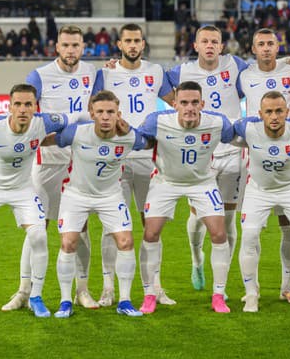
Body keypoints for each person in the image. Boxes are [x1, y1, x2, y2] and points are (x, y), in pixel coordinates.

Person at [3, 25, 99, 312]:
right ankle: (23, 290)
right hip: (46, 163)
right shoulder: (40, 75)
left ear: (83, 47)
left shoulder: (94, 73)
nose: (71, 51)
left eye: (76, 45)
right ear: (57, 47)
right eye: (66, 45)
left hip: (80, 161)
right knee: (37, 227)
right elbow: (28, 111)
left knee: (79, 227)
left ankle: (82, 289)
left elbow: (99, 106)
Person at [0, 84, 69, 320]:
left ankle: (35, 297)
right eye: (17, 104)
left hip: (22, 188)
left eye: (28, 104)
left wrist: (53, 140)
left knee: (38, 236)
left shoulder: (44, 122)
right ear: (9, 107)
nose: (22, 109)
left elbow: (71, 122)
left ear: (35, 107)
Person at [91, 23, 175, 307]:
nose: (133, 45)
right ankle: (107, 288)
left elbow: (175, 101)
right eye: (128, 41)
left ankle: (155, 287)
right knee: (111, 226)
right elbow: (91, 108)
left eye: (137, 40)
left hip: (148, 157)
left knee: (151, 226)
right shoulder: (105, 73)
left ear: (143, 43)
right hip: (114, 157)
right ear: (119, 44)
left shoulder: (155, 72)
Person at [137, 81, 234, 314]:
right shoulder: (157, 121)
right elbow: (138, 139)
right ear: (174, 104)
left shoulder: (218, 123)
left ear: (202, 103)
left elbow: (239, 136)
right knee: (150, 232)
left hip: (202, 182)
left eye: (194, 102)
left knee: (220, 233)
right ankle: (150, 293)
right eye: (184, 103)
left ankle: (218, 296)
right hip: (165, 181)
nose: (189, 107)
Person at [166, 25, 247, 293]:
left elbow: (263, 72)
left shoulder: (236, 65)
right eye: (205, 41)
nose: (210, 45)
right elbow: (154, 85)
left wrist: (286, 62)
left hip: (233, 150)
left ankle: (221, 276)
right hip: (201, 152)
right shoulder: (181, 72)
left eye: (215, 41)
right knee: (198, 214)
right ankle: (197, 260)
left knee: (228, 216)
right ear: (196, 45)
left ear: (222, 46)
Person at [50, 91, 144, 318]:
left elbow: (145, 140)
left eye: (110, 112)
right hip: (76, 194)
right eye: (100, 111)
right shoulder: (76, 132)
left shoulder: (128, 137)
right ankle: (65, 301)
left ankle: (124, 300)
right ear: (91, 113)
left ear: (118, 114)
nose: (105, 117)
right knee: (69, 242)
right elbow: (52, 139)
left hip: (110, 196)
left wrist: (130, 128)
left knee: (126, 241)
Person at [233, 91, 290, 313]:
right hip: (259, 190)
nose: (274, 116)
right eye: (269, 112)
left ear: (287, 112)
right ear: (259, 114)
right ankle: (252, 294)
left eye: (279, 111)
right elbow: (222, 129)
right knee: (250, 236)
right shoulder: (248, 129)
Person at [239, 28, 290, 304]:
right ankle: (250, 290)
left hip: (288, 154)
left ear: (278, 47)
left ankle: (286, 286)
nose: (266, 48)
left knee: (287, 224)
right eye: (261, 44)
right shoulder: (243, 75)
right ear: (253, 49)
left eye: (271, 44)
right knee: (251, 229)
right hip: (253, 157)